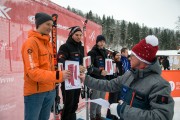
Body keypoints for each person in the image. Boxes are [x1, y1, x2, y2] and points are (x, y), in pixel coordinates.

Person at [80, 35, 174, 120]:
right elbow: (109, 85)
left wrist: (122, 110)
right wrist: (86, 79)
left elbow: (161, 117)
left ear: (142, 59)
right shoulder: (129, 75)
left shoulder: (160, 85)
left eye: (133, 55)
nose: (129, 57)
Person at [21, 12, 71, 120]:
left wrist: (60, 72)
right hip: (35, 93)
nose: (50, 27)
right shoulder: (31, 43)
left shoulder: (48, 43)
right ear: (39, 24)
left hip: (50, 91)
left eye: (51, 25)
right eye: (47, 24)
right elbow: (33, 72)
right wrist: (58, 75)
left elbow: (49, 67)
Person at [58, 26, 85, 120]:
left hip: (77, 80)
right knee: (68, 105)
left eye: (80, 35)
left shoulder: (81, 48)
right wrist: (77, 67)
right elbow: (60, 61)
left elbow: (82, 62)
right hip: (67, 80)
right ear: (71, 34)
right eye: (76, 35)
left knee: (74, 105)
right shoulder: (65, 47)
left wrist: (83, 68)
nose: (79, 37)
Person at [87, 35, 108, 120]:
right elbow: (89, 67)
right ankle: (92, 116)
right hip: (95, 79)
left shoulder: (105, 52)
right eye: (100, 41)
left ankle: (98, 115)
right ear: (97, 42)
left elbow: (107, 65)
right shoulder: (92, 52)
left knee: (101, 99)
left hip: (103, 79)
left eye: (103, 41)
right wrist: (99, 71)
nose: (102, 43)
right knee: (95, 99)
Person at [106, 51, 124, 120]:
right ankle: (109, 117)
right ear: (114, 56)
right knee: (112, 103)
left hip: (120, 86)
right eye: (117, 55)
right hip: (113, 86)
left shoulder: (121, 64)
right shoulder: (111, 63)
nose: (119, 56)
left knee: (118, 103)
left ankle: (116, 117)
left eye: (119, 55)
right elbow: (109, 75)